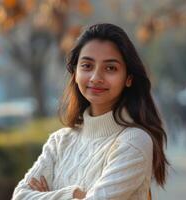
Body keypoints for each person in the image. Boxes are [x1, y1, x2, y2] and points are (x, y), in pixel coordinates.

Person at [12, 23, 169, 199]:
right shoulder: (59, 142)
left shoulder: (133, 142)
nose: (96, 78)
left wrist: (47, 195)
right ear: (75, 73)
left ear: (129, 78)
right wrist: (74, 194)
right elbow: (19, 196)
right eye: (87, 66)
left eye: (110, 68)